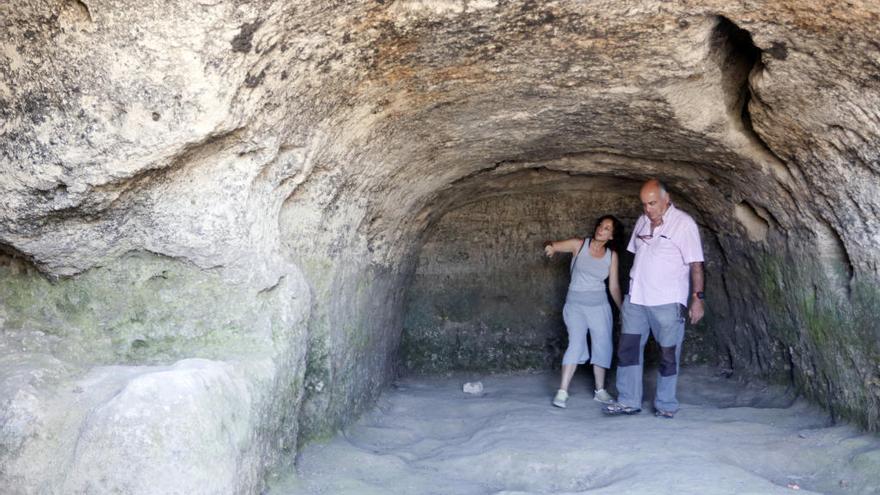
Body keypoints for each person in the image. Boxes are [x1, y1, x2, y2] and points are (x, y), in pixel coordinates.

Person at [603, 179, 705, 418]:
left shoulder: (684, 224)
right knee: (628, 351)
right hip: (637, 299)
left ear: (666, 199)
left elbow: (696, 265)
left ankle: (666, 404)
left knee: (668, 354)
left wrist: (697, 298)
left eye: (652, 203)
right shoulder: (642, 221)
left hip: (667, 302)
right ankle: (628, 400)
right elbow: (637, 256)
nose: (647, 209)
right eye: (644, 204)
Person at [544, 215, 623, 408]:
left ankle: (600, 390)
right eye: (600, 225)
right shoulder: (578, 245)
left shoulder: (611, 256)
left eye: (606, 228)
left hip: (600, 306)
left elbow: (613, 287)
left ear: (612, 236)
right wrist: (550, 248)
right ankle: (562, 391)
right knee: (576, 343)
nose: (601, 229)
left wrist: (623, 309)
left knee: (602, 344)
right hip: (576, 305)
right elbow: (553, 244)